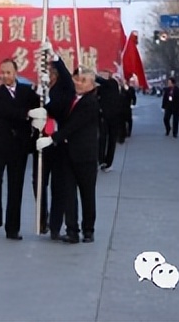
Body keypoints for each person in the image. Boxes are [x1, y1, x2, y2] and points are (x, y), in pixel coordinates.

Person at [0, 58, 40, 240]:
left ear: (16, 73)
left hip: (19, 145)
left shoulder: (27, 91)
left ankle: (12, 228)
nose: (5, 76)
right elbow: (4, 110)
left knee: (16, 186)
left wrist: (41, 92)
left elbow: (38, 106)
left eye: (8, 72)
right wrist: (26, 114)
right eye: (3, 72)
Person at [46, 68, 100, 244]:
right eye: (77, 78)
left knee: (87, 194)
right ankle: (71, 230)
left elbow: (74, 125)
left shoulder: (90, 102)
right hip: (67, 154)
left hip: (85, 155)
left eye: (84, 80)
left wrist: (53, 138)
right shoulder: (70, 98)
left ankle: (88, 230)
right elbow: (58, 112)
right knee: (69, 193)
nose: (79, 82)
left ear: (92, 85)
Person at [35, 45, 73, 240]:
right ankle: (42, 219)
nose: (47, 75)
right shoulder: (40, 89)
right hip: (40, 142)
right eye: (45, 71)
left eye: (50, 71)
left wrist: (54, 56)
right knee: (39, 182)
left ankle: (56, 225)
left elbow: (58, 108)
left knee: (59, 185)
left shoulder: (64, 88)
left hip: (57, 142)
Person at [95, 72, 122, 171]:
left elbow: (101, 81)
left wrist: (92, 76)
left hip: (114, 116)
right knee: (102, 138)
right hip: (104, 116)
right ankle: (101, 160)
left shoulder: (113, 83)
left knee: (111, 140)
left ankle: (108, 163)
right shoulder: (102, 87)